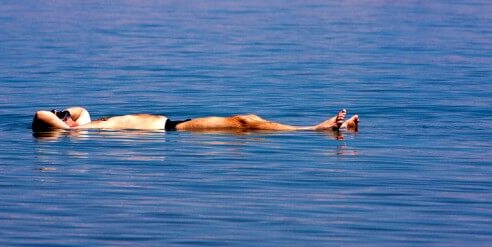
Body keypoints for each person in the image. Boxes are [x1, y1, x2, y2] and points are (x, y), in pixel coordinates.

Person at [32, 106, 359, 133]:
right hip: (172, 133)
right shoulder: (81, 133)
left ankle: (318, 128)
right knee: (243, 123)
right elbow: (40, 114)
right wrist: (65, 126)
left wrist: (68, 117)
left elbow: (76, 109)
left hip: (174, 125)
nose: (69, 115)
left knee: (245, 122)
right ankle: (316, 129)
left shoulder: (87, 122)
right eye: (65, 117)